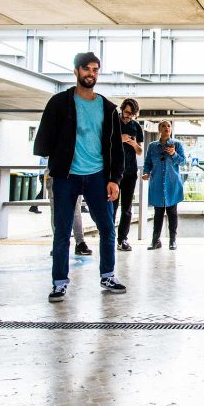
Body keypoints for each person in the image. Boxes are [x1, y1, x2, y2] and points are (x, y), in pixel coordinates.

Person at [33, 51, 127, 302]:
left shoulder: (108, 108)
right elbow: (45, 138)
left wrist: (114, 179)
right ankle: (59, 282)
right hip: (66, 176)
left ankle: (108, 275)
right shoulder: (59, 102)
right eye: (86, 69)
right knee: (62, 231)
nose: (91, 74)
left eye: (95, 70)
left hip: (98, 176)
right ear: (76, 71)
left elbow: (115, 148)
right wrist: (55, 163)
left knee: (107, 228)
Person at [141, 119, 185, 250]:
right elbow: (148, 162)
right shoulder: (152, 146)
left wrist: (174, 154)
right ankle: (155, 240)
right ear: (159, 129)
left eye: (169, 126)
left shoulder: (177, 144)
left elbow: (183, 162)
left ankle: (173, 240)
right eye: (164, 126)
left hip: (172, 184)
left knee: (172, 212)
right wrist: (146, 173)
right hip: (157, 183)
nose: (167, 128)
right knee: (158, 213)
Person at [117, 98, 144, 251]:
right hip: (114, 171)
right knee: (111, 206)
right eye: (127, 112)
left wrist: (134, 144)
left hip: (130, 172)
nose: (128, 116)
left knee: (127, 208)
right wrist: (119, 139)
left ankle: (123, 239)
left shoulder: (136, 127)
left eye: (132, 114)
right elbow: (103, 143)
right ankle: (108, 237)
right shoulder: (113, 122)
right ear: (122, 109)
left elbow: (140, 151)